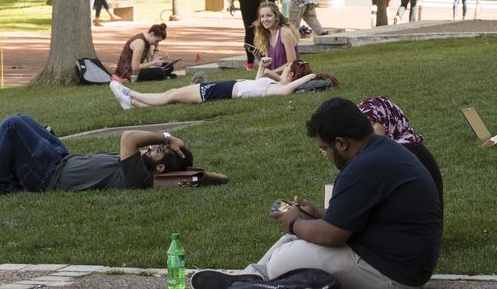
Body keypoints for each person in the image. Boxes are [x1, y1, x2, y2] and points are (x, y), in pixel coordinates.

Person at [190, 98, 442, 289]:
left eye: (324, 149)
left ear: (341, 143)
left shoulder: (362, 168)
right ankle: (252, 277)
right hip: (396, 259)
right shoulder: (379, 150)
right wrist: (319, 214)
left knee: (283, 258)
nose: (325, 155)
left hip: (394, 273)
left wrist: (294, 223)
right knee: (293, 243)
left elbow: (333, 235)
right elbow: (360, 215)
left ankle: (259, 282)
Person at [0, 114, 192, 196]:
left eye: (157, 151)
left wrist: (167, 138)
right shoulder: (139, 165)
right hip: (61, 159)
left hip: (49, 176)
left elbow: (128, 137)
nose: (151, 147)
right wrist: (167, 143)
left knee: (11, 125)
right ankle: (11, 180)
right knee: (22, 119)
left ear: (160, 167)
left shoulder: (139, 177)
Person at [109, 55, 321, 110]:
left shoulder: (282, 89)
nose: (283, 69)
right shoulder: (276, 86)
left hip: (222, 90)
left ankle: (129, 94)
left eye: (286, 69)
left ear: (292, 76)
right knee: (173, 93)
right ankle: (133, 104)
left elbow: (284, 93)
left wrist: (309, 77)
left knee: (171, 95)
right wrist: (261, 68)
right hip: (227, 87)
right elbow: (256, 85)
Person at [357, 97, 443, 202]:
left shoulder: (405, 152)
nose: (366, 131)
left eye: (371, 122)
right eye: (361, 125)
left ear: (388, 119)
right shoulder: (409, 146)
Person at [253, 1, 301, 70]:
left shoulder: (285, 33)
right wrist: (258, 58)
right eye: (262, 17)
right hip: (276, 78)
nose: (265, 19)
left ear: (276, 17)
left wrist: (271, 73)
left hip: (289, 78)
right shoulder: (267, 36)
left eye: (269, 16)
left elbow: (292, 63)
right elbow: (268, 66)